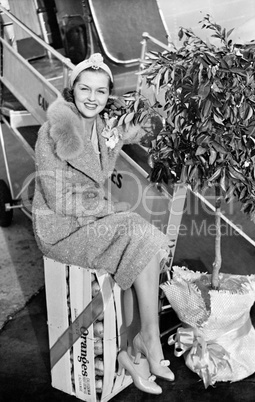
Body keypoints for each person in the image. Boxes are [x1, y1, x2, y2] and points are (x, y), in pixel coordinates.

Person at [32, 53, 174, 394]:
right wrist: (108, 213)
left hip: (92, 219)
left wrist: (128, 131)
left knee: (148, 242)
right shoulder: (53, 132)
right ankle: (143, 345)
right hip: (60, 228)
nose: (92, 98)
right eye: (85, 89)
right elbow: (59, 199)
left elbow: (120, 155)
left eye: (100, 91)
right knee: (137, 231)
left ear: (108, 93)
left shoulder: (102, 127)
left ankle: (138, 348)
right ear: (72, 90)